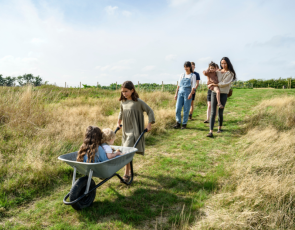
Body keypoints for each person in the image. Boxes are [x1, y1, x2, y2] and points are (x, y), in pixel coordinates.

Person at [117, 81, 155, 182]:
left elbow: (150, 111)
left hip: (134, 131)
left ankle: (126, 174)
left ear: (132, 90)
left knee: (125, 151)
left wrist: (149, 124)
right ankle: (129, 170)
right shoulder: (123, 102)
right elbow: (121, 112)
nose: (124, 93)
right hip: (126, 130)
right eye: (122, 91)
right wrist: (118, 122)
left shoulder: (138, 102)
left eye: (126, 91)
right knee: (127, 151)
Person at [206, 57, 236, 137]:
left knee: (220, 112)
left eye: (225, 63)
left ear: (228, 63)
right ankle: (211, 131)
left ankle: (219, 128)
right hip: (214, 92)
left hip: (223, 93)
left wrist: (213, 84)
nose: (223, 65)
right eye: (222, 63)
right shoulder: (218, 71)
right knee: (213, 112)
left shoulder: (230, 73)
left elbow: (224, 83)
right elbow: (209, 72)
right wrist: (209, 84)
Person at [173, 61, 197, 129]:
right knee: (178, 108)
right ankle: (178, 122)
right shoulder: (182, 75)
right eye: (185, 67)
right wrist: (176, 94)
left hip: (188, 92)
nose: (185, 68)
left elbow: (193, 86)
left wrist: (190, 93)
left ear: (190, 67)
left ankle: (184, 124)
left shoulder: (193, 75)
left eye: (187, 67)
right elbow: (178, 85)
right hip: (180, 92)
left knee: (186, 109)